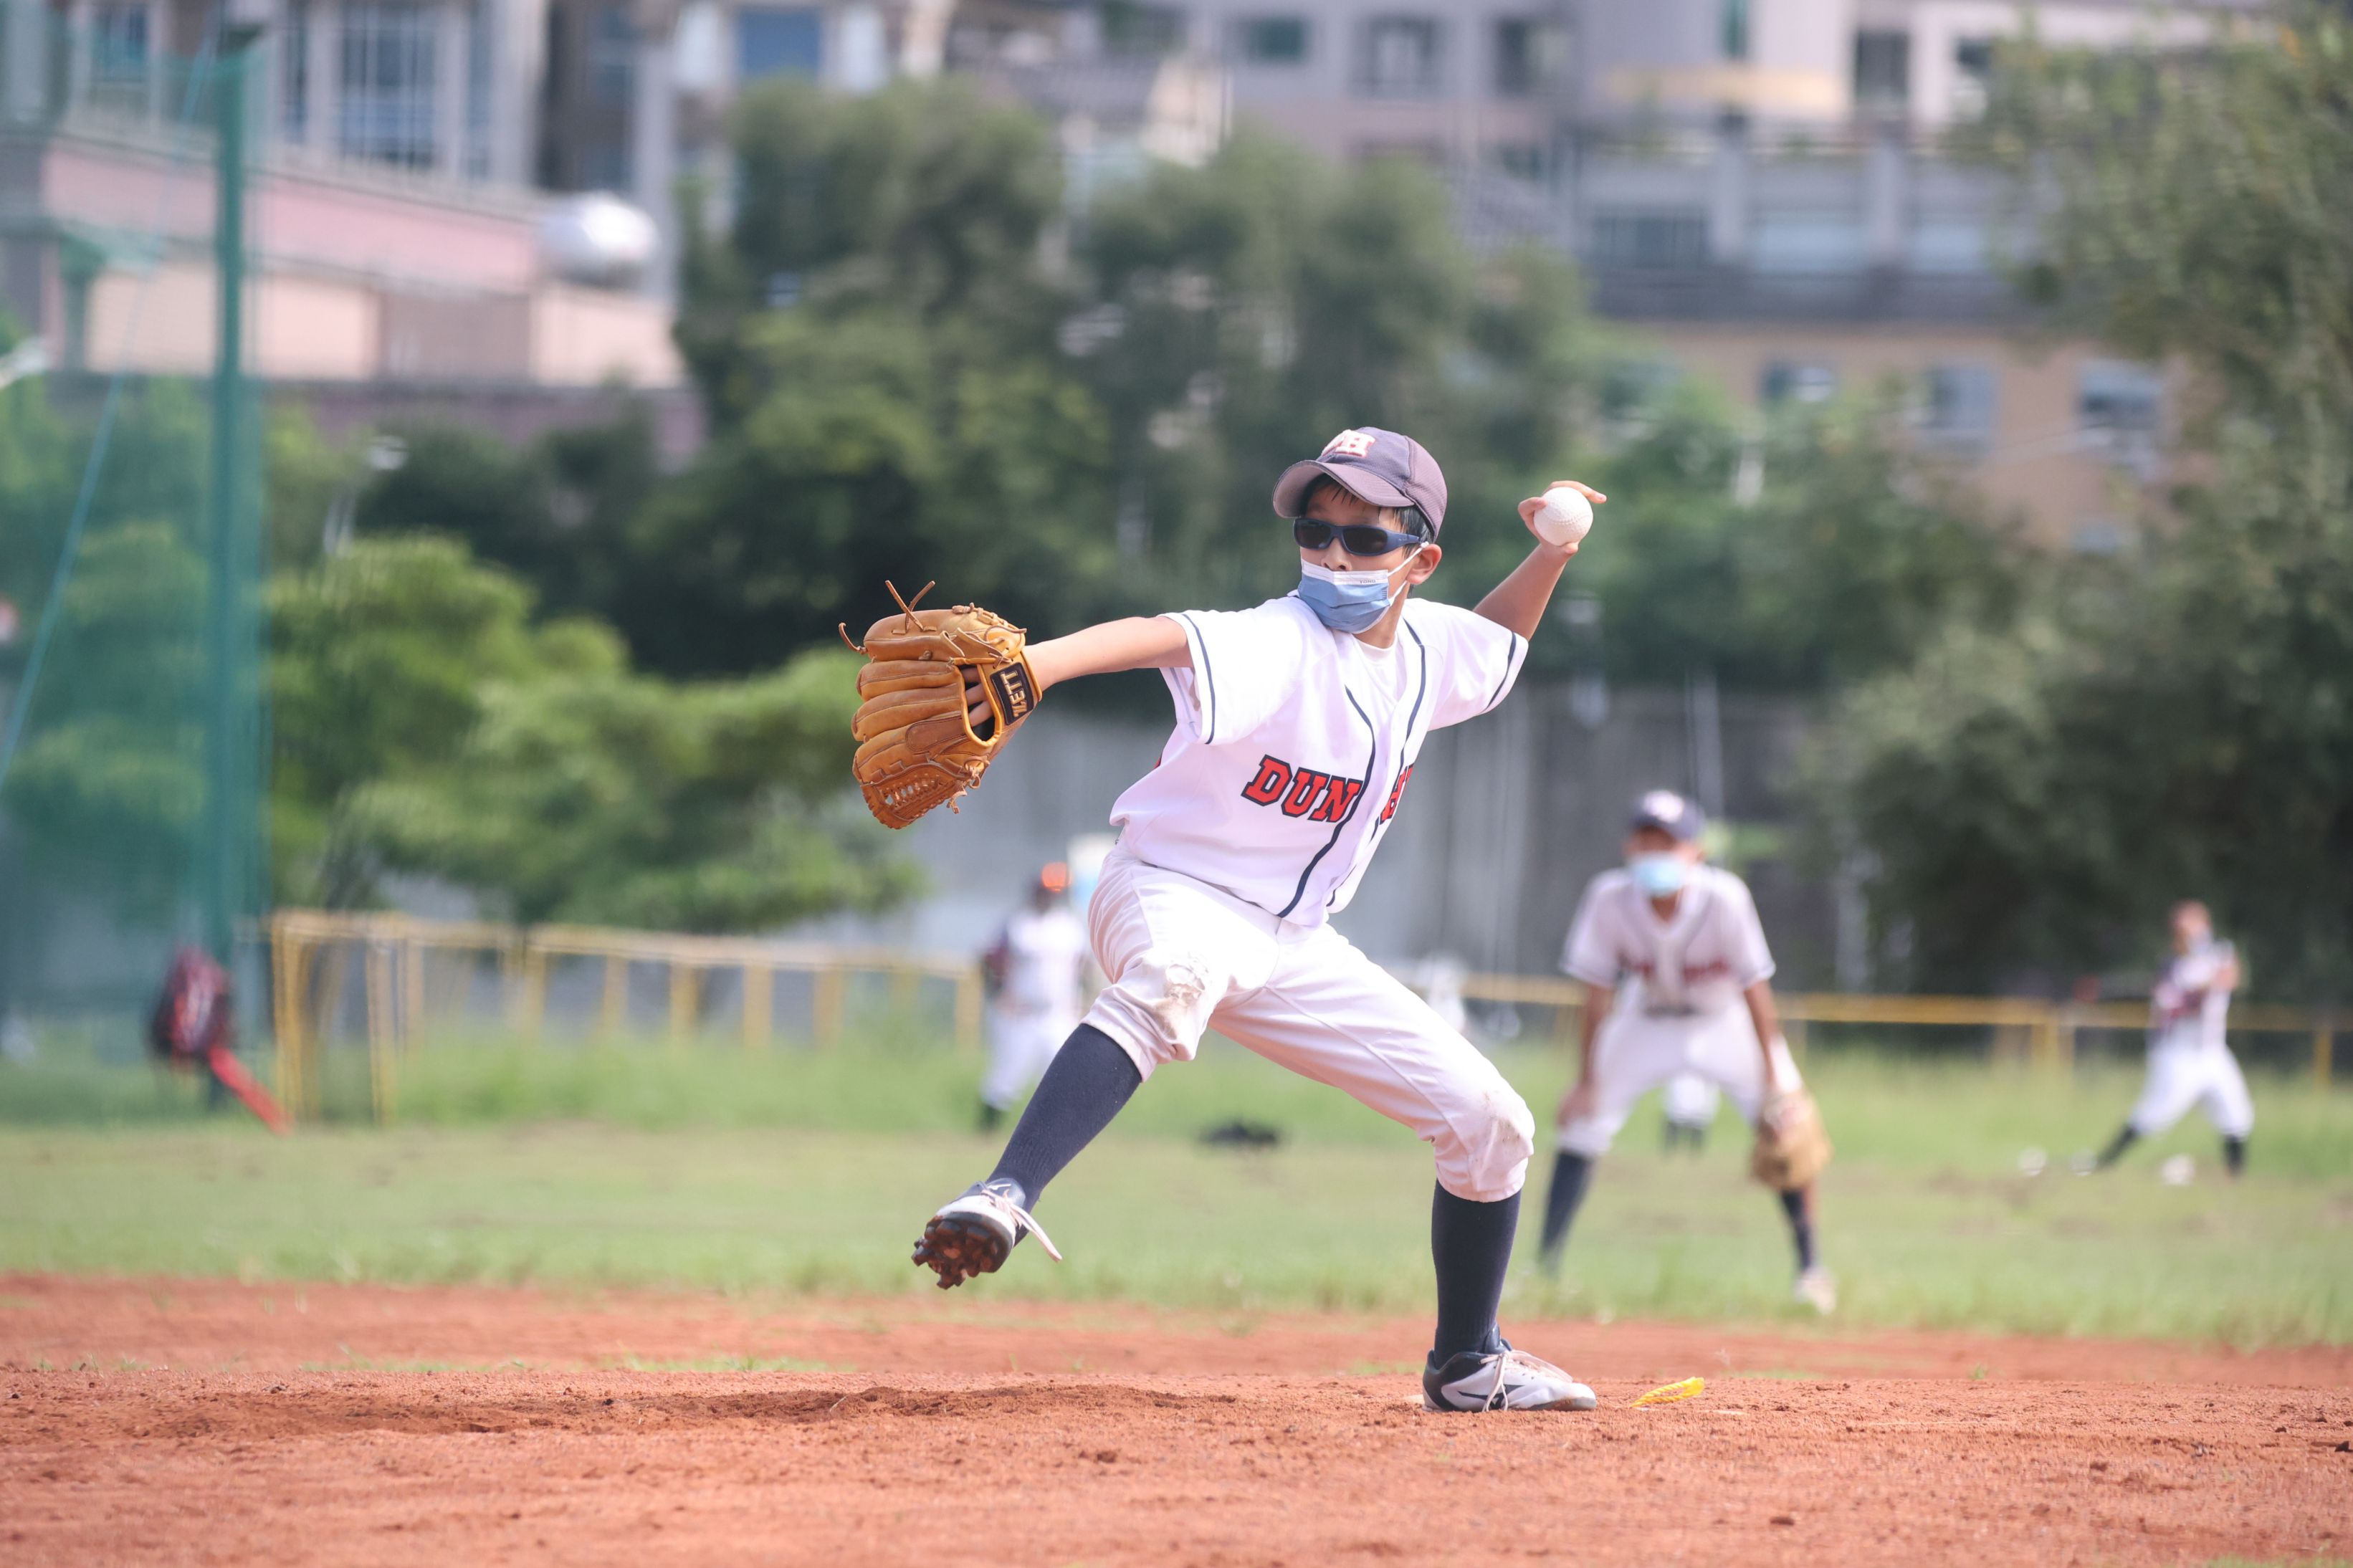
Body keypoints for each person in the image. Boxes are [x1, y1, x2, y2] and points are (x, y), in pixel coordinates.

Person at [910, 426, 1608, 1412]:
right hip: (1170, 889)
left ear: (1420, 561)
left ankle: (1466, 1363)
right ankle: (1003, 1194)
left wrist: (1551, 552)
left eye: (1363, 539)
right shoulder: (1279, 639)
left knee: (1491, 1122)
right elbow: (1163, 631)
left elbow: (1496, 645)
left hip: (1294, 943)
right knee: (1174, 980)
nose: (1331, 556)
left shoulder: (1430, 650)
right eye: (1314, 531)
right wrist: (1039, 665)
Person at [1536, 790, 1835, 1314]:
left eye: (1668, 843)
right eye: (1646, 840)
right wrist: (1586, 1080)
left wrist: (1775, 1082)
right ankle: (1544, 1272)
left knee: (1789, 1130)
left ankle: (1811, 1272)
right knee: (1580, 1124)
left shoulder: (1725, 898)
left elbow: (1755, 990)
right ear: (1629, 846)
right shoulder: (1608, 897)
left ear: (1696, 851)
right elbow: (1596, 995)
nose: (1655, 853)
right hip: (1645, 1020)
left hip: (1723, 1021)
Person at [2091, 901, 2252, 1177]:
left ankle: (2235, 1175)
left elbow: (2231, 976)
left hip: (2212, 1051)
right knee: (2156, 1113)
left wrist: (2212, 976)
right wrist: (2202, 985)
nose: (2187, 935)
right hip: (2180, 1053)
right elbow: (2184, 1004)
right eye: (2181, 930)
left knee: (2236, 1111)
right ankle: (2105, 1162)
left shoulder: (2218, 954)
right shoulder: (2175, 968)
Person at [976, 864, 1089, 1132]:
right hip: (1021, 1014)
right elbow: (989, 959)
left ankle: (1053, 1133)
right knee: (1007, 1076)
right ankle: (985, 1132)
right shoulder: (1018, 924)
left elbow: (1084, 966)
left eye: (1055, 892)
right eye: (1045, 891)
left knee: (1061, 1076)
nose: (1050, 896)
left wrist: (1085, 998)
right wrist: (997, 994)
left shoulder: (1069, 926)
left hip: (1058, 1013)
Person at [1659, 1072, 1719, 1155]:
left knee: (1696, 1146)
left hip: (1698, 1113)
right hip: (1676, 1111)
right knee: (1671, 1143)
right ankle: (1669, 1153)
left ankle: (1695, 1154)